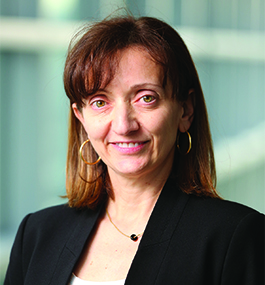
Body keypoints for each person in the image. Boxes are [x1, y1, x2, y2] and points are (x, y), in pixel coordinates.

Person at [4, 15, 264, 285]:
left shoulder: (235, 236)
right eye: (99, 102)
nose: (123, 125)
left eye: (146, 98)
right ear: (80, 118)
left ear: (185, 110)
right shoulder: (36, 235)